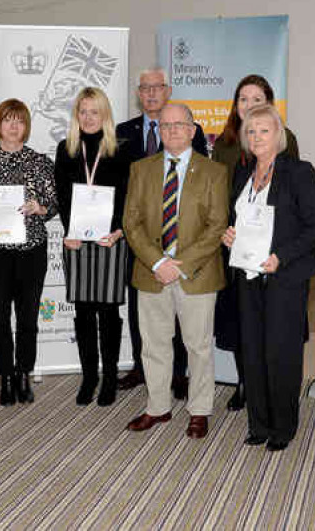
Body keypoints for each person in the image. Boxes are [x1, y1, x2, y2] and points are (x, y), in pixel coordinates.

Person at [219, 105, 315, 451]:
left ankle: (283, 425)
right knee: (253, 351)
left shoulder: (299, 172)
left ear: (278, 135)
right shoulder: (243, 173)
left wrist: (282, 256)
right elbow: (237, 221)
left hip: (285, 277)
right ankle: (259, 423)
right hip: (249, 277)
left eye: (264, 130)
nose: (257, 137)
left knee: (282, 353)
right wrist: (229, 236)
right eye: (251, 131)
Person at [122, 103, 227, 440]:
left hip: (195, 274)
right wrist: (157, 262)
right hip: (151, 272)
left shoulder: (214, 172)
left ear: (193, 130)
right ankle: (158, 406)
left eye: (179, 125)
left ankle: (199, 410)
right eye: (165, 126)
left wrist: (178, 265)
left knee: (197, 347)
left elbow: (216, 226)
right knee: (153, 345)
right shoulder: (141, 169)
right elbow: (131, 222)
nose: (171, 131)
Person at [115, 68, 208, 397]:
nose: (151, 93)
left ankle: (179, 373)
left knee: (181, 311)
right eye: (145, 88)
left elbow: (202, 184)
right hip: (140, 242)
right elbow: (119, 186)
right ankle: (143, 368)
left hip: (181, 243)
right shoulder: (123, 131)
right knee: (144, 306)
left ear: (167, 91)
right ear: (138, 94)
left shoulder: (188, 129)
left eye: (157, 87)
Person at [212, 74, 300, 412]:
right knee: (239, 320)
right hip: (236, 247)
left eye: (257, 99)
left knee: (273, 326)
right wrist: (226, 231)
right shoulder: (225, 142)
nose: (250, 105)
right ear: (236, 106)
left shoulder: (284, 138)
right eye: (243, 99)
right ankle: (245, 382)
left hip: (272, 251)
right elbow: (220, 195)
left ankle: (270, 388)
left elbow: (289, 195)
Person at [0, 99, 57, 406]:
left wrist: (40, 208)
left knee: (28, 316)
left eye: (19, 121)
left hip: (31, 248)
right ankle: (6, 375)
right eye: (8, 120)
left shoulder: (41, 161)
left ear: (26, 126)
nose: (13, 126)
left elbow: (53, 204)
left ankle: (24, 373)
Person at [54, 88, 130, 407]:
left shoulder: (121, 149)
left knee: (108, 312)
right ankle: (89, 376)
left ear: (105, 115)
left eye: (94, 111)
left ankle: (110, 375)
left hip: (110, 240)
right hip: (76, 240)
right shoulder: (65, 148)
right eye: (82, 111)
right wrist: (67, 231)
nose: (88, 117)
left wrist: (118, 232)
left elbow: (129, 195)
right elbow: (61, 194)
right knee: (84, 312)